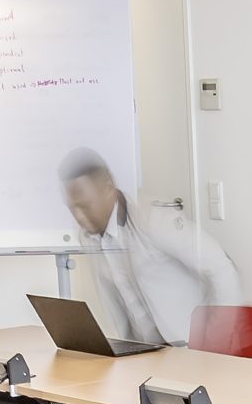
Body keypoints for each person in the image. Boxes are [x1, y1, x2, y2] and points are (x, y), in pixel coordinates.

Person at [60, 147, 239, 344]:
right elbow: (116, 307)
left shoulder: (153, 219)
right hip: (148, 354)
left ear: (108, 187)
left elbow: (222, 268)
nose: (78, 217)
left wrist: (216, 344)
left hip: (190, 347)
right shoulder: (89, 236)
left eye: (84, 206)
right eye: (72, 208)